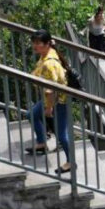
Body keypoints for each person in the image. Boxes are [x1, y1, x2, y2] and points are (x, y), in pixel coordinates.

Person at [24, 29, 73, 174]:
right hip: (50, 99)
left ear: (47, 44)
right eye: (34, 42)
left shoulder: (49, 64)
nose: (35, 46)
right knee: (32, 114)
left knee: (61, 133)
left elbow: (51, 90)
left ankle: (71, 162)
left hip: (58, 102)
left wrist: (49, 108)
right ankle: (41, 143)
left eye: (38, 43)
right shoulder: (48, 52)